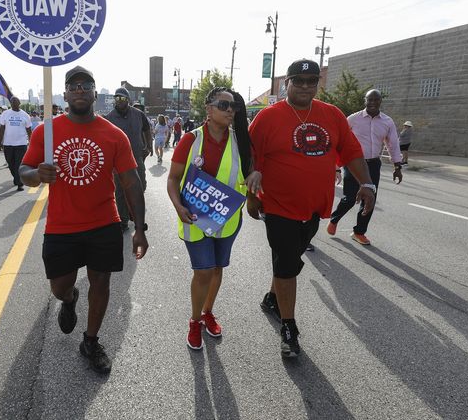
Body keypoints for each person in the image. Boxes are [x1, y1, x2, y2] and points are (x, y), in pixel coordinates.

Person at [19, 66, 148, 374]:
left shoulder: (113, 135)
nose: (79, 90)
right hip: (62, 226)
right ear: (64, 94)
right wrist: (37, 174)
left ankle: (91, 341)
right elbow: (23, 171)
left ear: (94, 92)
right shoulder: (45, 132)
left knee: (101, 282)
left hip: (104, 223)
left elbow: (131, 182)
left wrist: (140, 229)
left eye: (85, 85)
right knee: (59, 287)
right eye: (73, 86)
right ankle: (70, 298)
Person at [247, 59, 375, 358]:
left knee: (289, 257)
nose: (305, 86)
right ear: (286, 83)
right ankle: (289, 329)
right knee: (287, 262)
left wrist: (367, 184)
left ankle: (271, 297)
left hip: (315, 206)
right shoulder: (267, 118)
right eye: (298, 80)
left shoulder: (332, 115)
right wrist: (251, 196)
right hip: (277, 205)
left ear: (318, 83)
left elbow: (351, 151)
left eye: (311, 80)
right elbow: (250, 158)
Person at [167, 87, 253, 350]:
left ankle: (208, 311)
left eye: (234, 107)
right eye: (224, 105)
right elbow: (172, 179)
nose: (230, 111)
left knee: (217, 269)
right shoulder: (191, 140)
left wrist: (255, 174)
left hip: (227, 220)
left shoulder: (242, 142)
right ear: (209, 108)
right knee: (203, 271)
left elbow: (251, 171)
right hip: (194, 219)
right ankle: (195, 321)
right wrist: (178, 206)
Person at [327, 90, 403, 245]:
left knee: (369, 199)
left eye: (376, 100)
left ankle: (359, 232)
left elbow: (393, 144)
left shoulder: (387, 122)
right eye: (370, 100)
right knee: (349, 198)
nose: (373, 102)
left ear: (381, 101)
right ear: (365, 101)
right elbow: (339, 142)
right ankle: (334, 219)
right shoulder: (353, 119)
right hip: (353, 163)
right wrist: (336, 166)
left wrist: (397, 166)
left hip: (373, 164)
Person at [104, 87, 152, 230]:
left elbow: (146, 129)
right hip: (118, 161)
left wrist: (148, 146)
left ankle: (133, 211)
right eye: (117, 98)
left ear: (128, 100)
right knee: (119, 191)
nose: (119, 101)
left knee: (140, 185)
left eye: (123, 98)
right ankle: (123, 220)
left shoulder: (139, 114)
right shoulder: (109, 118)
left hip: (137, 157)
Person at [0, 97, 32, 191]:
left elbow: (29, 130)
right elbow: (2, 128)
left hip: (21, 143)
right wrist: (0, 141)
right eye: (12, 102)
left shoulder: (25, 115)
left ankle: (20, 183)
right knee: (10, 163)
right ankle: (16, 177)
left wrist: (31, 142)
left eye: (15, 102)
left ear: (19, 103)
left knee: (18, 164)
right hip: (8, 143)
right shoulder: (5, 114)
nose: (13, 103)